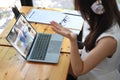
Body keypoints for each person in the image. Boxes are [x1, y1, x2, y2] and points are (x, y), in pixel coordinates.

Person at [50, 0, 120, 80]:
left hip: (92, 76)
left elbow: (79, 71)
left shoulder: (108, 41)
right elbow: (94, 51)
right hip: (91, 68)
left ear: (97, 9)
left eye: (82, 10)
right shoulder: (109, 20)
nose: (82, 13)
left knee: (53, 70)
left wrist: (73, 40)